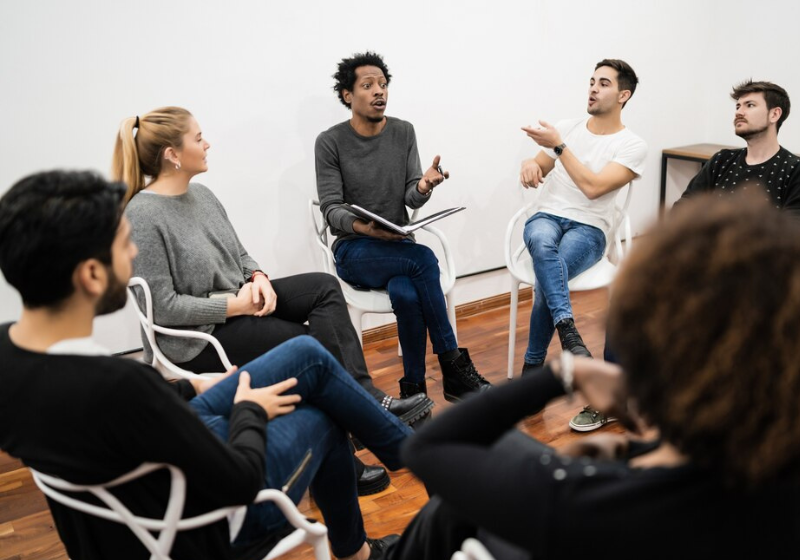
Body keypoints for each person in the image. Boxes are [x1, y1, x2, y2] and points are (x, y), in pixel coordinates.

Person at [0, 170, 410, 560]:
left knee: (306, 357)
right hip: (198, 524)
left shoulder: (10, 352)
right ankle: (391, 494)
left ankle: (406, 446)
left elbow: (137, 412)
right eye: (125, 244)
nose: (135, 252)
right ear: (91, 274)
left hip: (146, 478)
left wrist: (193, 388)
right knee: (323, 409)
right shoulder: (119, 385)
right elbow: (239, 482)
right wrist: (249, 411)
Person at [386, 192, 800, 559]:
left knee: (459, 497)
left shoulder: (583, 503)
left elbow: (426, 448)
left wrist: (564, 373)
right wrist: (627, 453)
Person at [114, 106, 433, 495]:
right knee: (308, 349)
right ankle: (343, 459)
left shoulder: (201, 194)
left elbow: (241, 254)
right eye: (198, 138)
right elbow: (162, 307)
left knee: (322, 287)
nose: (207, 143)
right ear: (172, 154)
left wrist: (258, 276)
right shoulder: (142, 215)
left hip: (240, 303)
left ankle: (364, 400)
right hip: (198, 336)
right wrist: (236, 306)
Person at [315, 51, 490, 403]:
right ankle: (451, 362)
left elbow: (411, 196)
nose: (379, 91)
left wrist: (424, 186)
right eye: (368, 85)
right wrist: (366, 229)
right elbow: (331, 208)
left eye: (383, 84)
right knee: (423, 259)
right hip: (356, 248)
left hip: (397, 245)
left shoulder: (403, 131)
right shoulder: (330, 142)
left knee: (407, 293)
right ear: (348, 95)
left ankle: (414, 391)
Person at [518, 59, 647, 432]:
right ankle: (567, 331)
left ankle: (532, 371)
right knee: (542, 243)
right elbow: (541, 166)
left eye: (603, 83)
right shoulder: (567, 127)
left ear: (623, 95)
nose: (592, 88)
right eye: (591, 81)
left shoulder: (631, 145)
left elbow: (592, 187)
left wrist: (559, 147)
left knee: (548, 274)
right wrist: (531, 164)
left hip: (590, 229)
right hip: (546, 217)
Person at [678, 80, 800, 212]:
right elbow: (683, 208)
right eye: (738, 107)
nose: (739, 112)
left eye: (750, 105)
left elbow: (793, 228)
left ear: (774, 114)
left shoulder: (794, 170)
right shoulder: (721, 161)